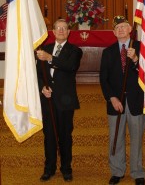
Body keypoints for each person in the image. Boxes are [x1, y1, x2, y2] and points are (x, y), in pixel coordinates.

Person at [100, 16, 145, 185]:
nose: (120, 29)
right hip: (115, 103)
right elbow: (103, 78)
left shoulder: (141, 48)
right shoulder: (108, 52)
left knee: (136, 139)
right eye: (117, 27)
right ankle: (117, 171)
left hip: (136, 101)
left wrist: (135, 59)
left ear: (130, 30)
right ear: (113, 32)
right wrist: (111, 98)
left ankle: (137, 172)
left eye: (123, 26)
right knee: (116, 138)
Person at [36, 18, 83, 182]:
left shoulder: (75, 50)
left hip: (65, 101)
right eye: (58, 28)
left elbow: (70, 66)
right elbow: (38, 74)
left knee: (64, 135)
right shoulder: (44, 49)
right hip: (47, 99)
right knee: (48, 135)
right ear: (53, 32)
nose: (61, 31)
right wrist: (42, 87)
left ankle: (66, 168)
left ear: (69, 32)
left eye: (64, 28)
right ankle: (49, 168)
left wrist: (50, 58)